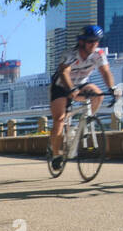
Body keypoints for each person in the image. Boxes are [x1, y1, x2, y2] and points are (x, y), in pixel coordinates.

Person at [48, 25, 118, 172]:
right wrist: (71, 89)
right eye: (90, 41)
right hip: (61, 85)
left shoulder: (98, 54)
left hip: (81, 83)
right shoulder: (70, 54)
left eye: (96, 41)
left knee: (97, 94)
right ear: (81, 42)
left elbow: (105, 71)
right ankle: (55, 154)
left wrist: (112, 88)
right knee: (59, 119)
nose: (94, 44)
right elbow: (64, 72)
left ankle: (85, 123)